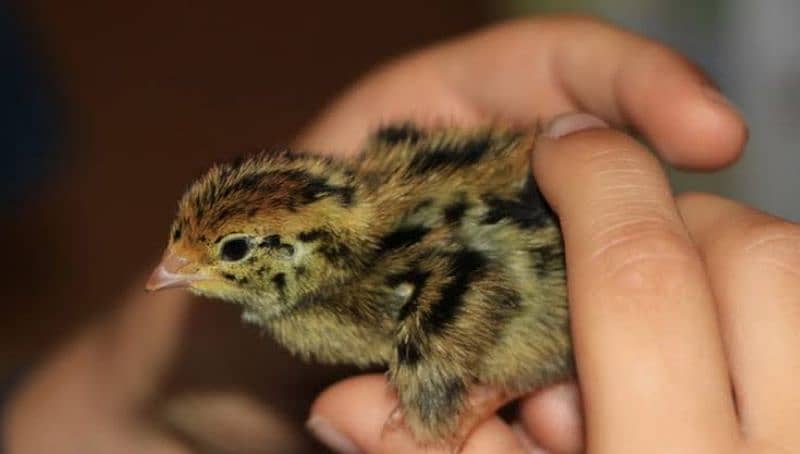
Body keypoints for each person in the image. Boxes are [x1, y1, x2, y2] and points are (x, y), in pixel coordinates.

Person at [5, 15, 798, 454]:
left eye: (230, 251)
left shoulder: (368, 285)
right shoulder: (347, 257)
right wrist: (134, 401)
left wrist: (450, 398)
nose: (171, 268)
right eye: (189, 247)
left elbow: (469, 288)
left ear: (302, 256)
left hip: (536, 274)